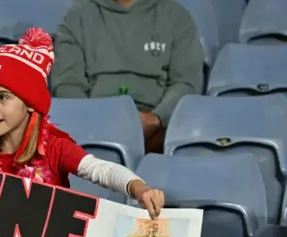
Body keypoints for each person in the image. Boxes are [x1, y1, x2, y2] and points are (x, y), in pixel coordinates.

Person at [0, 27, 165, 218]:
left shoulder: (55, 147)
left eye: (3, 97)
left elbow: (101, 170)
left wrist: (140, 189)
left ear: (31, 103)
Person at [50, 0, 204, 153]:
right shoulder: (77, 17)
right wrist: (92, 122)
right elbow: (67, 83)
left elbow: (186, 82)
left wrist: (156, 119)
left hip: (157, 125)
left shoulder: (177, 16)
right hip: (92, 125)